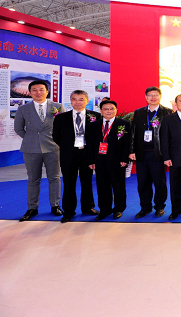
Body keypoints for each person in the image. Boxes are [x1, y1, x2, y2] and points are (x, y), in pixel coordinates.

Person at [14, 80, 64, 222]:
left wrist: (56, 140)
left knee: (54, 178)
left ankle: (55, 205)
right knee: (33, 179)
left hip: (53, 147)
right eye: (34, 90)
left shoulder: (57, 107)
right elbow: (18, 128)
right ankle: (32, 208)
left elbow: (63, 127)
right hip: (31, 148)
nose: (38, 92)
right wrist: (31, 139)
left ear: (47, 91)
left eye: (41, 89)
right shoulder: (23, 109)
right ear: (29, 92)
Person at [52, 89, 100, 223]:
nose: (77, 102)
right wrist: (68, 147)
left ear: (87, 101)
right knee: (68, 183)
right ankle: (68, 211)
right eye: (74, 99)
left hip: (87, 154)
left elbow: (98, 136)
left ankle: (88, 207)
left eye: (81, 99)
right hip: (69, 154)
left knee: (87, 182)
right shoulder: (61, 118)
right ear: (70, 101)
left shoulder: (96, 116)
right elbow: (56, 136)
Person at [129, 86, 173, 218]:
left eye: (155, 95)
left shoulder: (167, 112)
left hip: (158, 153)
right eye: (150, 95)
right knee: (143, 183)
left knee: (160, 183)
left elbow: (170, 135)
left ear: (160, 97)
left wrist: (168, 154)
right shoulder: (139, 112)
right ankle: (145, 207)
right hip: (142, 153)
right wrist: (132, 150)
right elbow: (133, 132)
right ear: (146, 97)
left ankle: (159, 207)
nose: (153, 98)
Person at [87, 100, 131, 220]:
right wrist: (91, 160)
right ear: (101, 111)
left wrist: (124, 159)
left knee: (118, 186)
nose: (109, 111)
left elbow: (127, 143)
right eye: (106, 109)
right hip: (100, 160)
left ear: (116, 110)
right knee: (102, 186)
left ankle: (119, 209)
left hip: (118, 161)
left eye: (112, 109)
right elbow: (90, 144)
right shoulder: (94, 125)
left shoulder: (124, 124)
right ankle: (104, 210)